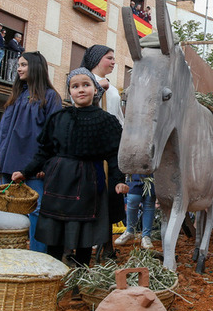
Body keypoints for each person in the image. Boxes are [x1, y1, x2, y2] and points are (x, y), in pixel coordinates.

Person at [12, 68, 127, 267]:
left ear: (95, 89)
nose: (80, 90)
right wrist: (25, 171)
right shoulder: (58, 118)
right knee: (54, 233)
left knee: (85, 234)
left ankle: (80, 277)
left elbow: (115, 157)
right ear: (69, 91)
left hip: (89, 182)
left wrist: (118, 181)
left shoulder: (108, 121)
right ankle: (52, 276)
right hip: (58, 180)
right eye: (75, 86)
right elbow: (44, 151)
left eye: (86, 85)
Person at [0, 52, 62, 252]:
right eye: (18, 65)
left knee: (37, 212)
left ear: (36, 67)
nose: (19, 68)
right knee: (8, 213)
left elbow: (54, 136)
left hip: (34, 169)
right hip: (7, 168)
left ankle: (37, 256)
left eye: (24, 64)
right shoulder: (15, 97)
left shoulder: (50, 97)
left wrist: (45, 164)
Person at [82, 45, 123, 124]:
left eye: (114, 59)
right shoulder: (82, 81)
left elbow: (119, 117)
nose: (113, 62)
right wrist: (97, 86)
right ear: (96, 58)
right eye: (109, 58)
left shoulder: (113, 89)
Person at [114, 174, 155, 249]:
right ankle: (130, 231)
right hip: (134, 174)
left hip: (151, 175)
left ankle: (146, 235)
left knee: (149, 202)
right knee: (133, 199)